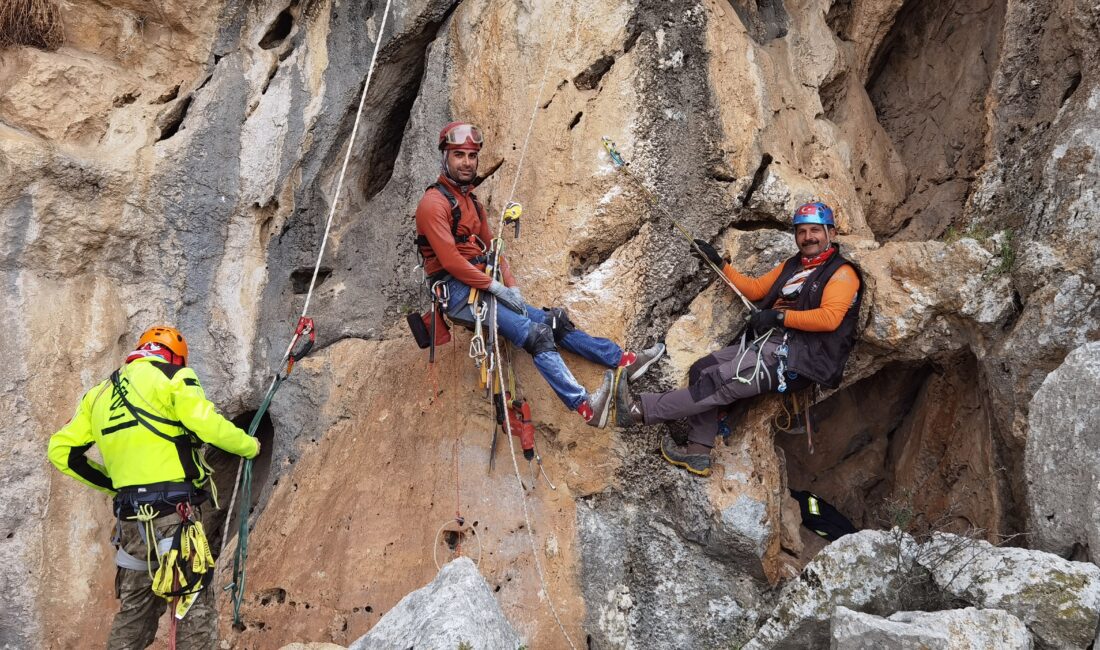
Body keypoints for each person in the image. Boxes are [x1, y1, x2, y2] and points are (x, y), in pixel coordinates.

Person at [415, 121, 665, 426]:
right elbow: (452, 262)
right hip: (458, 294)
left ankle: (622, 361)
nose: (467, 162)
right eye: (459, 155)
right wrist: (496, 288)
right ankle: (587, 407)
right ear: (445, 157)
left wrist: (512, 285)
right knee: (536, 335)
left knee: (553, 322)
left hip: (480, 285)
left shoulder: (471, 203)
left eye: (471, 155)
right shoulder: (433, 203)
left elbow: (494, 247)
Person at [612, 202, 863, 476]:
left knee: (717, 382)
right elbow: (755, 290)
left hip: (796, 358)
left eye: (815, 230)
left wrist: (779, 318)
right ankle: (697, 451)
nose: (808, 237)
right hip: (769, 345)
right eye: (802, 231)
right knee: (702, 369)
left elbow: (829, 319)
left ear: (831, 233)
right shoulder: (793, 266)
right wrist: (719, 264)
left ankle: (637, 411)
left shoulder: (842, 273)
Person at [47, 326, 260, 649]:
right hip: (175, 515)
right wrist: (249, 446)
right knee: (191, 604)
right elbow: (208, 425)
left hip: (131, 522)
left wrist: (113, 485)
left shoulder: (99, 394)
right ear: (175, 356)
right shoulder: (175, 377)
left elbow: (60, 452)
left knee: (135, 613)